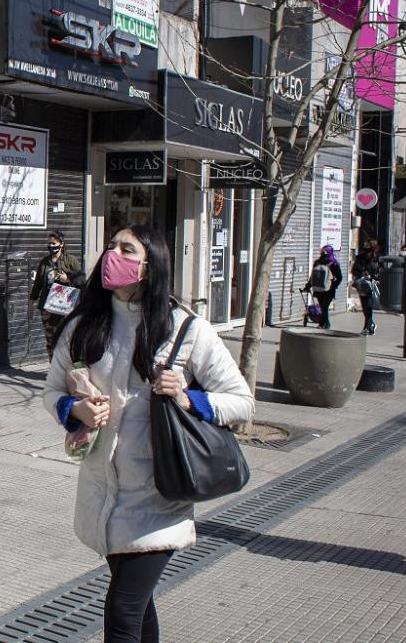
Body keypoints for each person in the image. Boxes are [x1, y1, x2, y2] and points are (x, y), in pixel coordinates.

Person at [43, 224, 253, 643]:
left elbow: (242, 402)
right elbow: (51, 390)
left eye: (126, 249)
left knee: (122, 609)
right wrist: (74, 409)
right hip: (103, 492)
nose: (111, 255)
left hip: (160, 493)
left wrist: (190, 398)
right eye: (109, 247)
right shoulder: (84, 325)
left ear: (150, 265)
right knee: (139, 605)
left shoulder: (186, 329)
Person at [29, 230, 86, 358]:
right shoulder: (44, 262)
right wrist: (31, 304)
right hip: (47, 307)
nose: (51, 246)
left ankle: (68, 368)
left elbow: (82, 280)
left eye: (54, 243)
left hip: (65, 307)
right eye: (49, 243)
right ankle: (54, 369)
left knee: (67, 339)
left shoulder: (70, 260)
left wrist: (68, 278)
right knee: (50, 340)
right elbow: (37, 284)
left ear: (61, 244)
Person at [303, 244, 342, 330]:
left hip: (329, 290)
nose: (323, 253)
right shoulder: (317, 262)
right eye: (322, 251)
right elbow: (313, 275)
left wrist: (333, 285)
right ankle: (324, 323)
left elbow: (339, 277)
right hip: (319, 288)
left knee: (324, 306)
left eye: (325, 251)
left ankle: (324, 324)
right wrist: (308, 286)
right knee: (322, 307)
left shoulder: (333, 263)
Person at [351, 239, 381, 336]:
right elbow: (355, 269)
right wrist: (360, 275)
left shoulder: (377, 258)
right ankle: (370, 326)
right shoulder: (360, 257)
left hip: (372, 285)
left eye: (368, 245)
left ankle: (368, 326)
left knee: (368, 306)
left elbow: (380, 272)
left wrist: (373, 277)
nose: (366, 246)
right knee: (365, 306)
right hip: (362, 284)